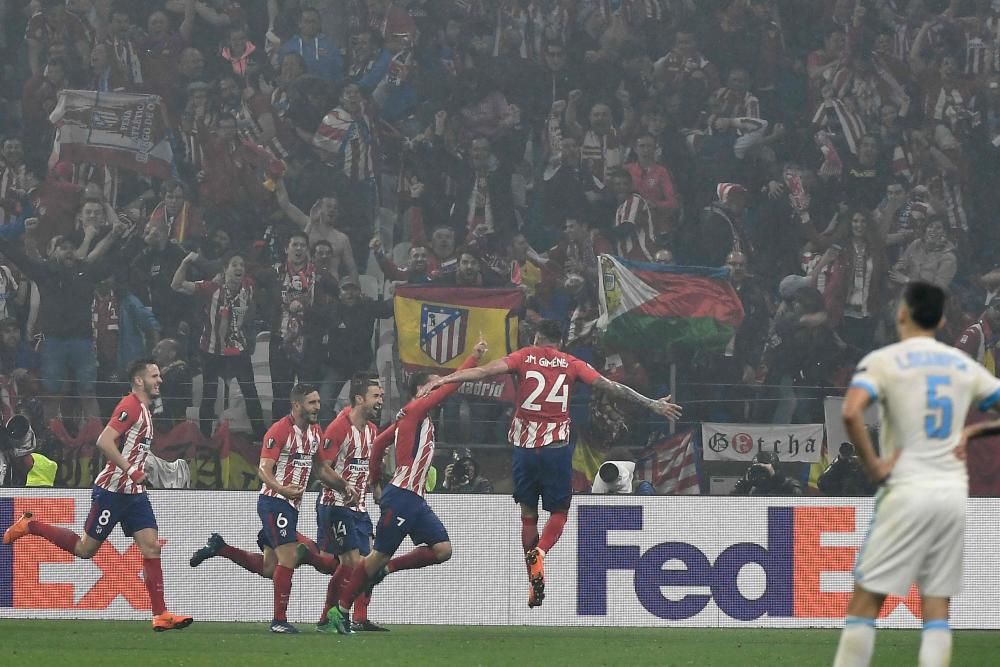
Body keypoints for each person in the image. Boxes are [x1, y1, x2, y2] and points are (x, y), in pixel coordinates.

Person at [419, 320, 682, 608]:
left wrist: (444, 379)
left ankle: (533, 579)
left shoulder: (522, 356)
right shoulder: (571, 362)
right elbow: (611, 387)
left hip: (524, 451)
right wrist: (651, 403)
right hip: (555, 449)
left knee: (528, 514)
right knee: (559, 511)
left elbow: (483, 372)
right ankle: (541, 552)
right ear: (560, 343)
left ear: (536, 338)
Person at [833, 282, 1000, 667]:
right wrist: (973, 431)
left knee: (865, 601)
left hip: (905, 490)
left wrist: (874, 464)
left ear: (902, 316)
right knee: (936, 608)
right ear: (942, 320)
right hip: (948, 493)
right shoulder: (960, 365)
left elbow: (849, 413)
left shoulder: (885, 361)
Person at [3, 358, 193, 632]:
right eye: (154, 376)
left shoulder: (146, 410)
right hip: (113, 491)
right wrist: (130, 469)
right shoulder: (130, 406)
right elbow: (103, 440)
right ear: (139, 380)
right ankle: (30, 525)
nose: (159, 380)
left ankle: (161, 614)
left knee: (151, 547)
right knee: (85, 550)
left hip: (134, 494)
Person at [323, 339, 489, 634]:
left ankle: (388, 570)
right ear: (421, 390)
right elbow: (451, 386)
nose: (442, 386)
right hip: (402, 497)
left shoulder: (412, 416)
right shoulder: (414, 410)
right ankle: (342, 610)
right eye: (435, 384)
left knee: (442, 550)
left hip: (414, 499)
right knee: (372, 558)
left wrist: (375, 482)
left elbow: (377, 443)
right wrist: (473, 358)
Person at [188, 384, 345, 634]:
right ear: (297, 405)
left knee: (269, 569)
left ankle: (221, 548)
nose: (318, 407)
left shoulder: (315, 431)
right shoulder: (279, 430)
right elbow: (263, 470)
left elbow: (322, 469)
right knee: (291, 558)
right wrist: (282, 489)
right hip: (274, 503)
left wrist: (344, 486)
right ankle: (279, 621)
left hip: (290, 506)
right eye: (312, 403)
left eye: (317, 402)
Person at [311, 373, 387, 633]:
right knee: (352, 563)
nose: (380, 401)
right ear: (359, 398)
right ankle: (334, 617)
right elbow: (321, 470)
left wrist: (376, 488)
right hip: (335, 505)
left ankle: (344, 618)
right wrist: (344, 487)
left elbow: (372, 466)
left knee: (368, 565)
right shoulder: (339, 427)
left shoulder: (372, 430)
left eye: (382, 397)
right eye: (375, 396)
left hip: (360, 508)